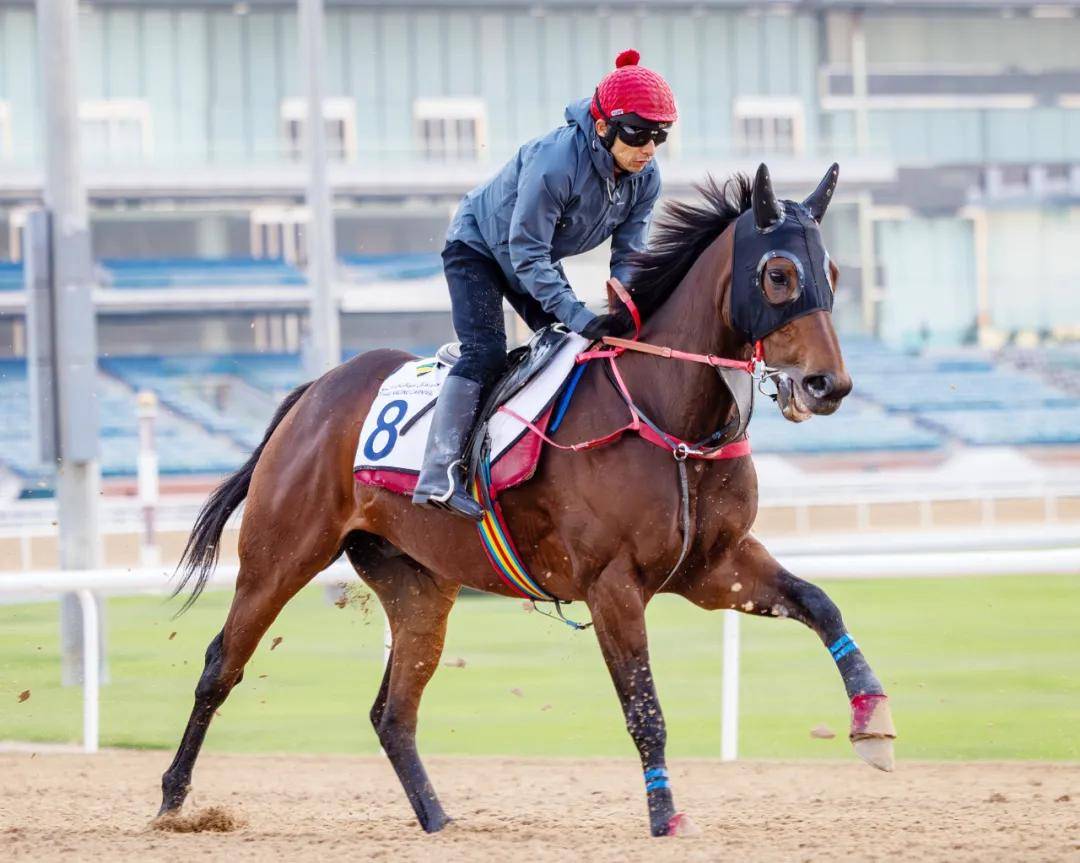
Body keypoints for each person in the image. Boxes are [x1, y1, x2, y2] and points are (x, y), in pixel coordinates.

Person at [412, 49, 678, 521]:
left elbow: (629, 258)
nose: (649, 147)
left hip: (528, 257)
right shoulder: (556, 162)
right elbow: (528, 252)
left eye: (659, 134)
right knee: (488, 351)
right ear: (602, 127)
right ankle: (438, 475)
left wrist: (630, 313)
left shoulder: (646, 176)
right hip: (478, 248)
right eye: (638, 133)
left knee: (574, 348)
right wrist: (579, 313)